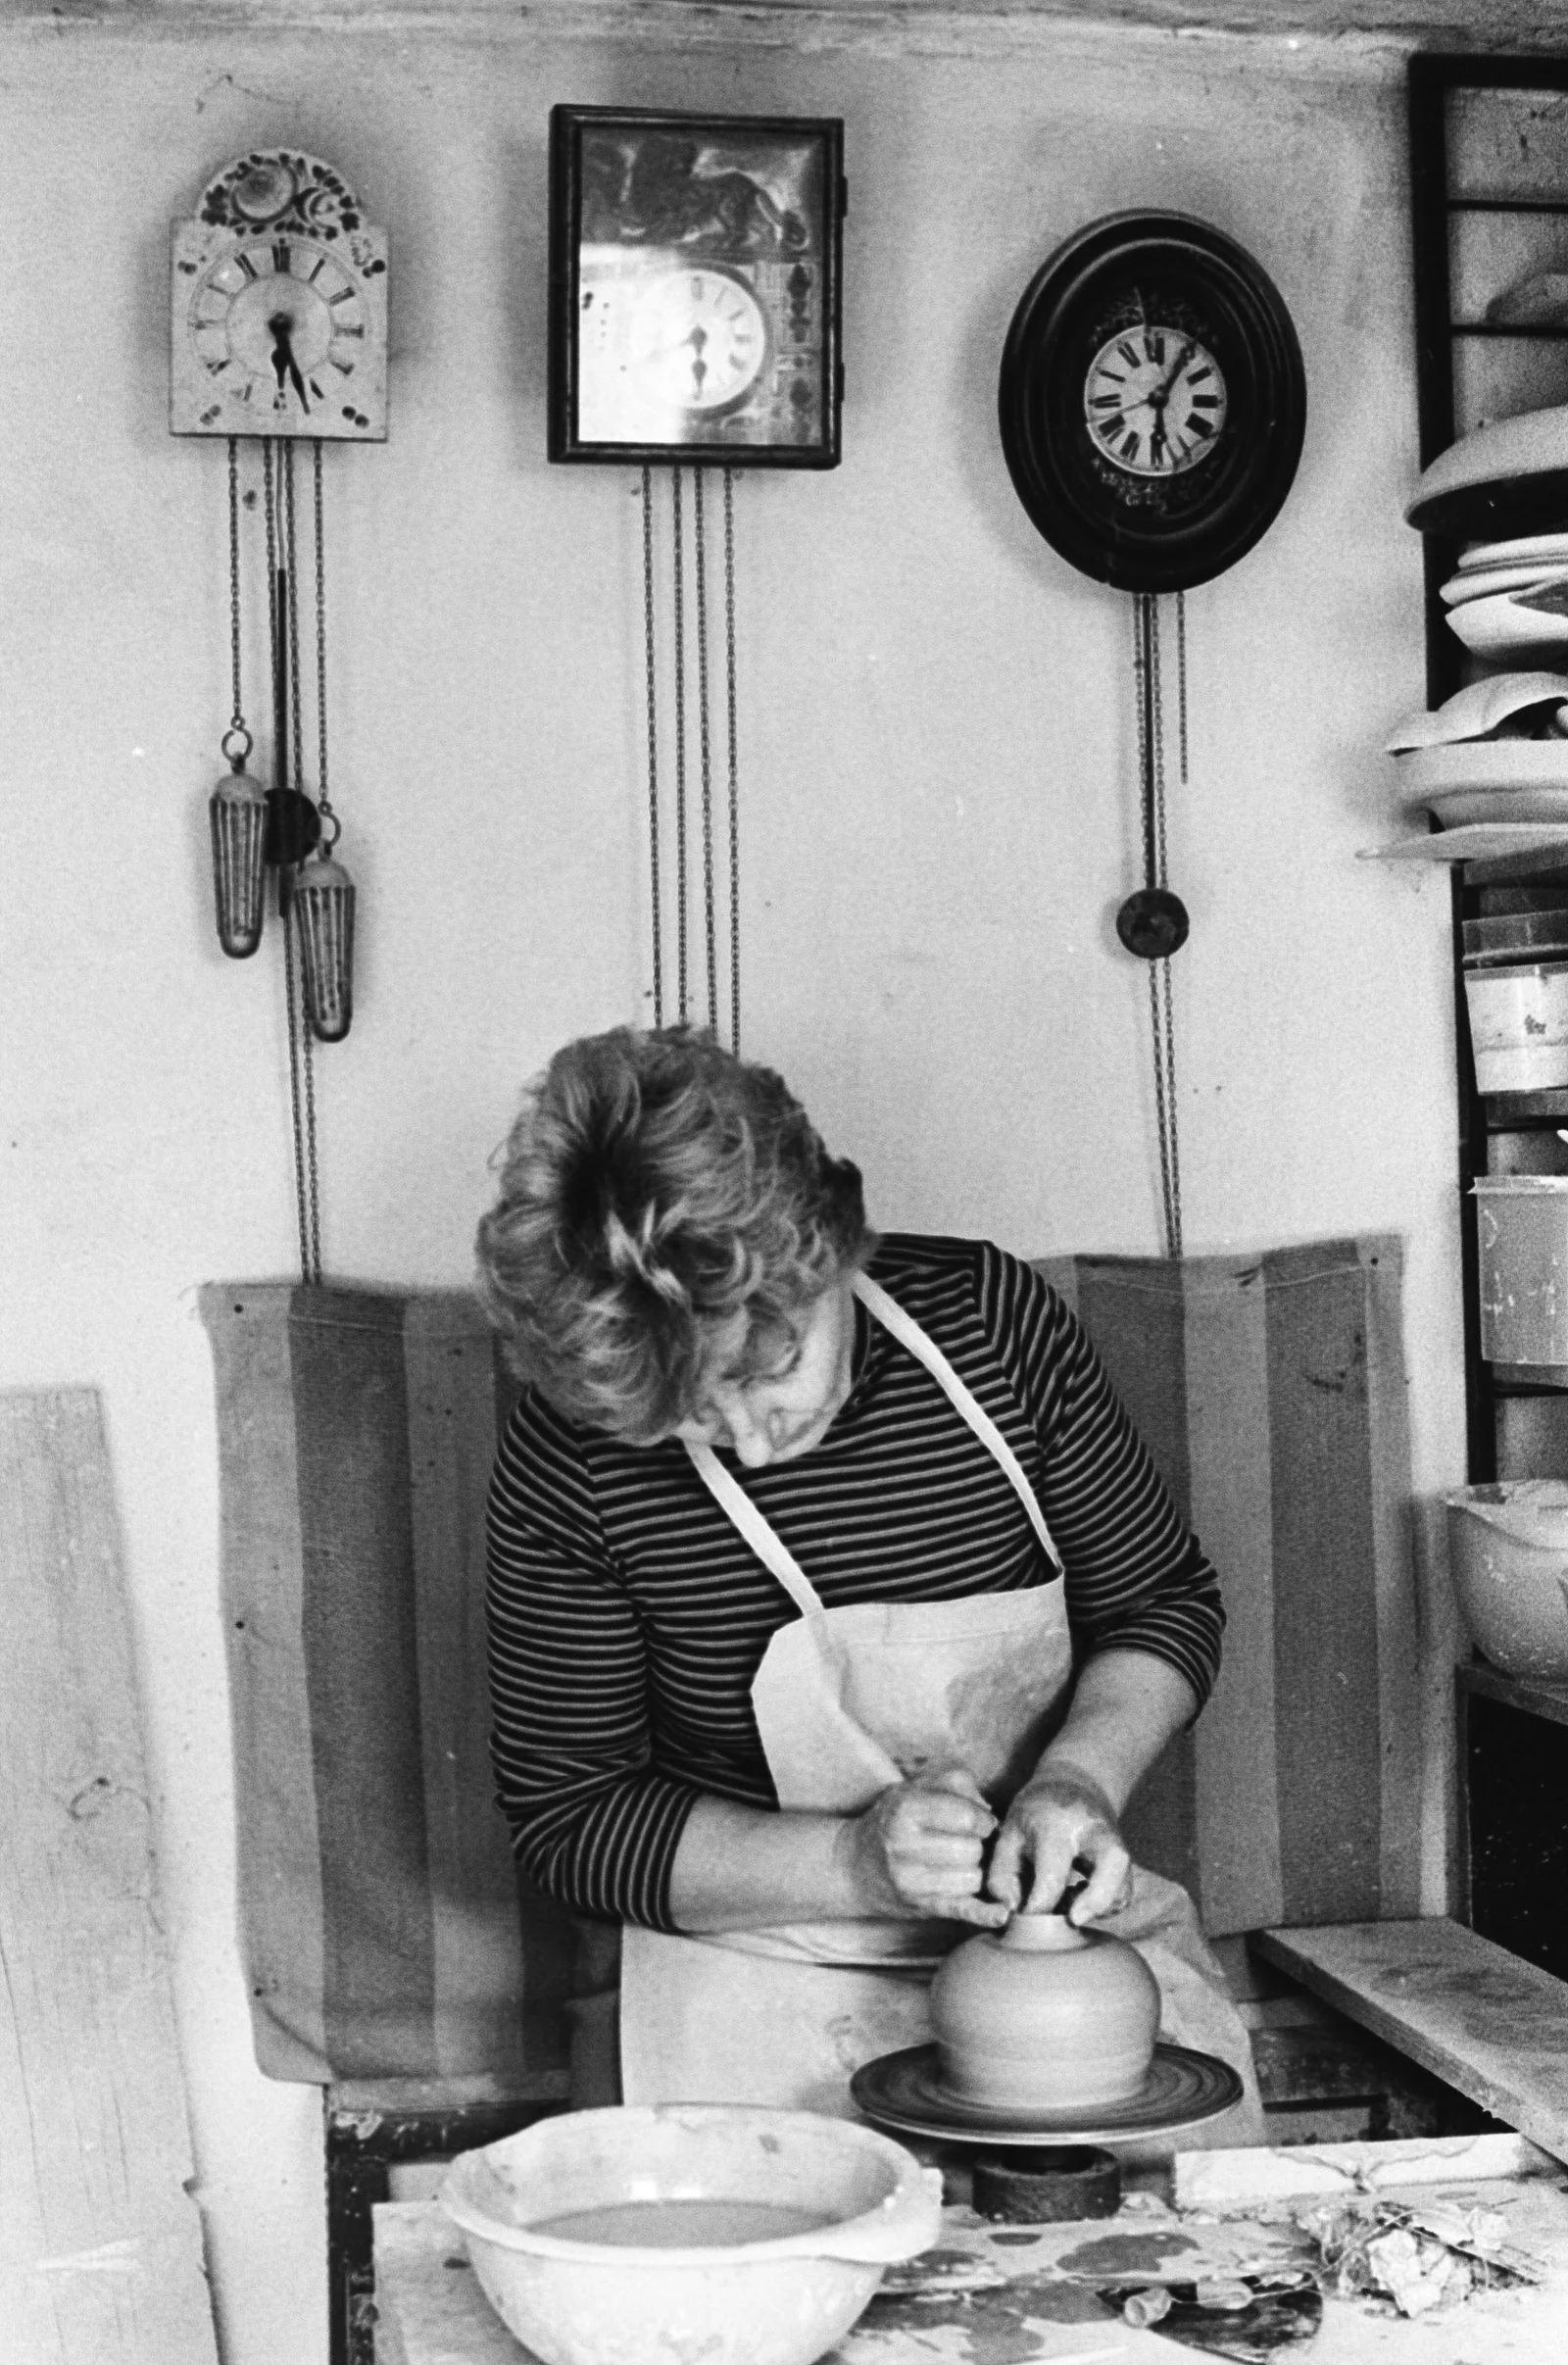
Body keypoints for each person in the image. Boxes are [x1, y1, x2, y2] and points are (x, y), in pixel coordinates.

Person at [476, 1024, 1262, 2137]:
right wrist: (853, 1860)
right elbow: (573, 1816)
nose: (753, 1443)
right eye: (691, 1412)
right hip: (753, 1949)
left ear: (834, 1247)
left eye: (775, 1364)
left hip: (1059, 1924)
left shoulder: (989, 1325)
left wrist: (1079, 1777)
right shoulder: (571, 1454)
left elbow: (1160, 1602)